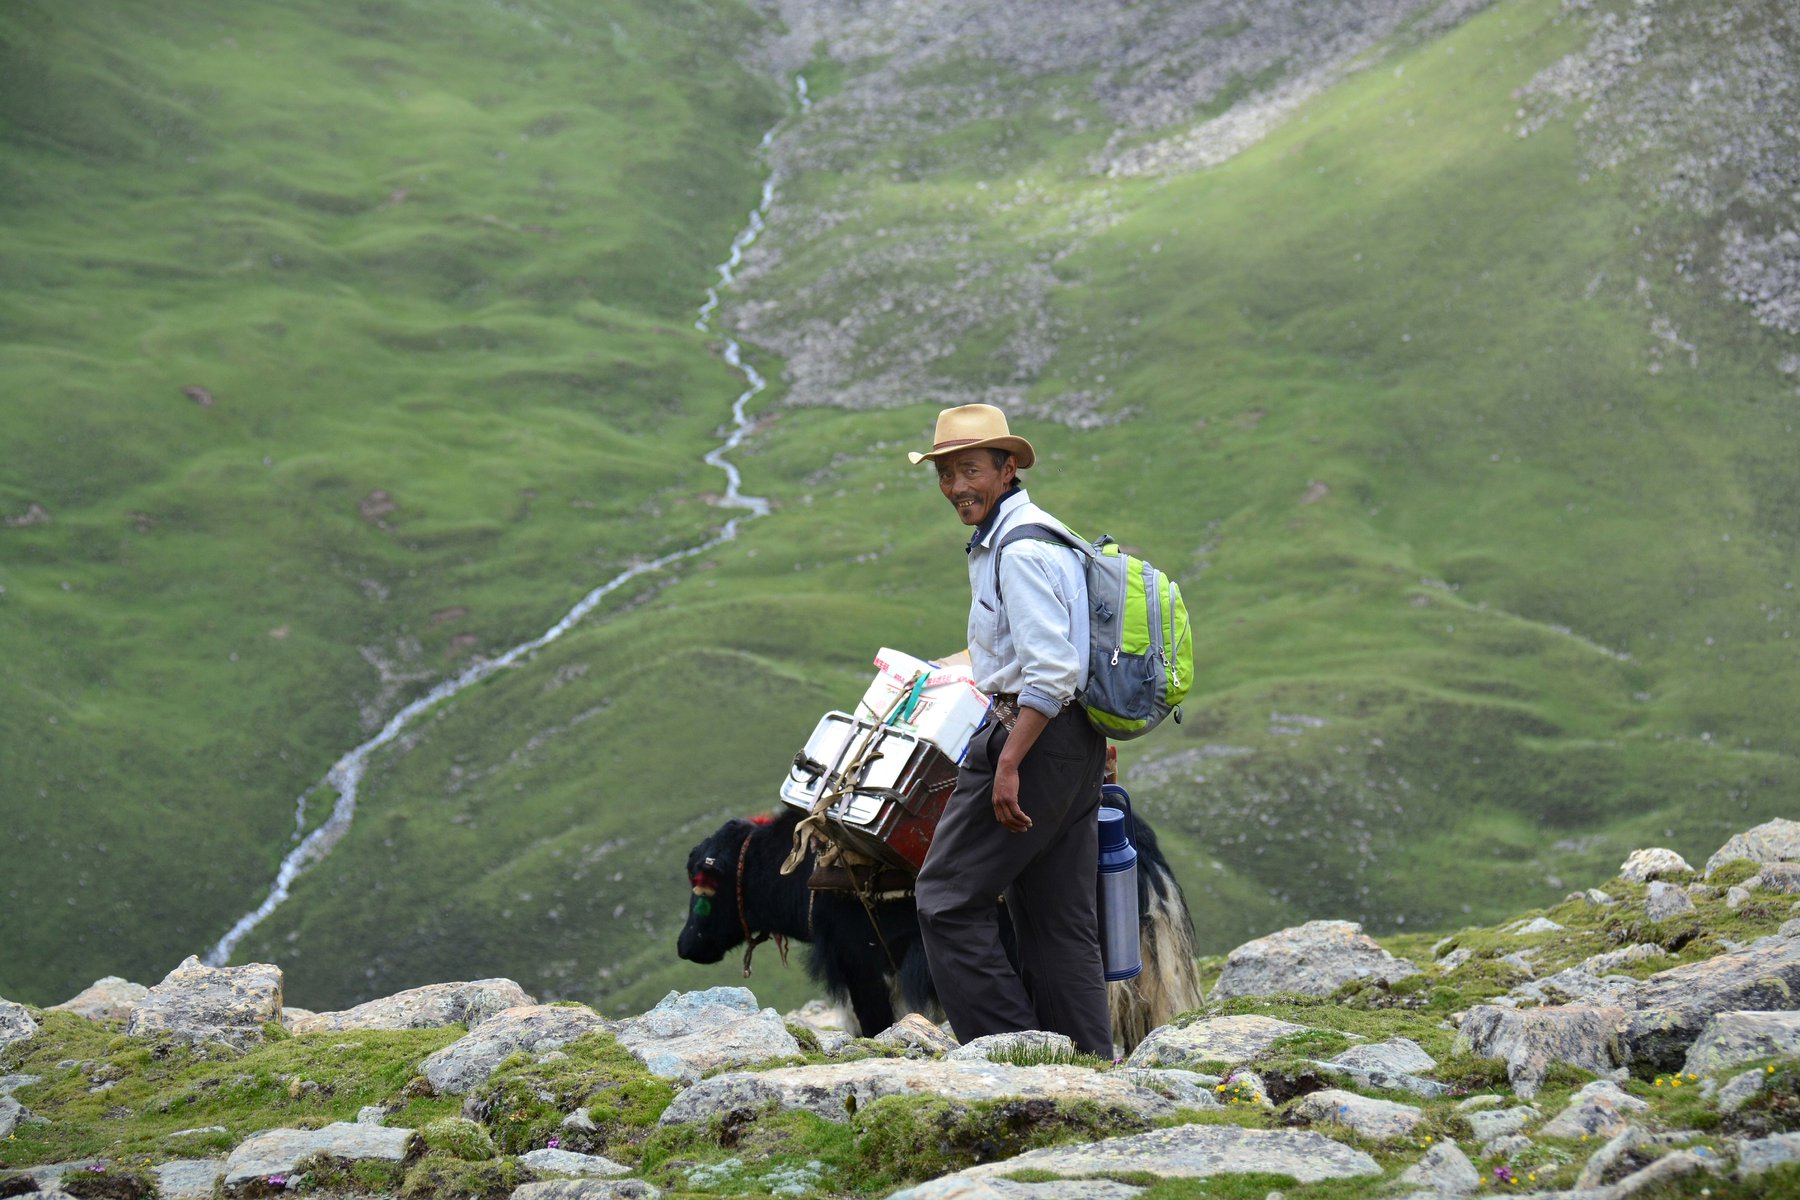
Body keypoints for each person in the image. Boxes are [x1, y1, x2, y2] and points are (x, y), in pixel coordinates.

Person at [907, 403, 1112, 1056]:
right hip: (1072, 742)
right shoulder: (1046, 535)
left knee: (945, 897)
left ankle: (1016, 1057)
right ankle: (1088, 1068)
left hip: (1027, 734)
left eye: (969, 470)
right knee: (1059, 923)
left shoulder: (1020, 551)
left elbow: (1049, 672)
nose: (955, 488)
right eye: (945, 474)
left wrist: (1007, 764)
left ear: (1005, 468)